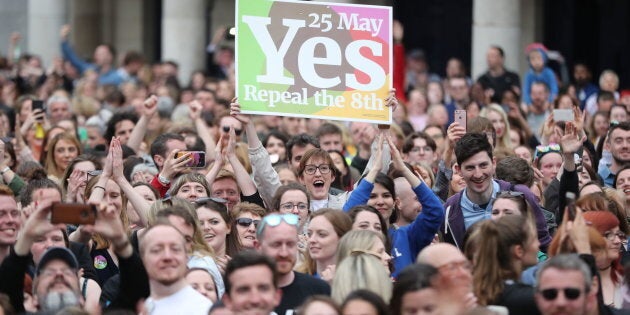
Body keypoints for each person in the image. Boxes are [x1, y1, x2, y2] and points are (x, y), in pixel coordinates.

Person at [343, 134, 443, 277]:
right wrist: (375, 169)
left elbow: (435, 211)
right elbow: (346, 216)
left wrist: (403, 169)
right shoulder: (352, 238)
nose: (380, 201)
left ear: (395, 201)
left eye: (386, 195)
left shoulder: (407, 236)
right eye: (372, 196)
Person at [442, 133, 551, 251]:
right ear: (458, 170)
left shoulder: (521, 195)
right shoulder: (450, 209)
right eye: (470, 168)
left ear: (493, 163)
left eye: (483, 165)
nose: (478, 174)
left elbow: (545, 246)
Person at [255, 213, 330, 315]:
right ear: (258, 247)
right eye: (276, 244)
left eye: (290, 244)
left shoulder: (319, 290)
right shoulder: (242, 291)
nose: (284, 253)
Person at [470, 215, 540, 315]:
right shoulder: (529, 300)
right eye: (534, 239)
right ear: (519, 251)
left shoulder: (474, 293)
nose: (538, 244)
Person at [141, 223, 213, 314]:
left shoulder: (204, 310)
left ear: (186, 257)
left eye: (175, 249)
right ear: (143, 259)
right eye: (157, 250)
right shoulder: (145, 307)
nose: (167, 256)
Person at [599, 122, 630, 187]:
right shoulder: (598, 179)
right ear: (608, 146)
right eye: (619, 141)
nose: (625, 146)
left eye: (629, 141)